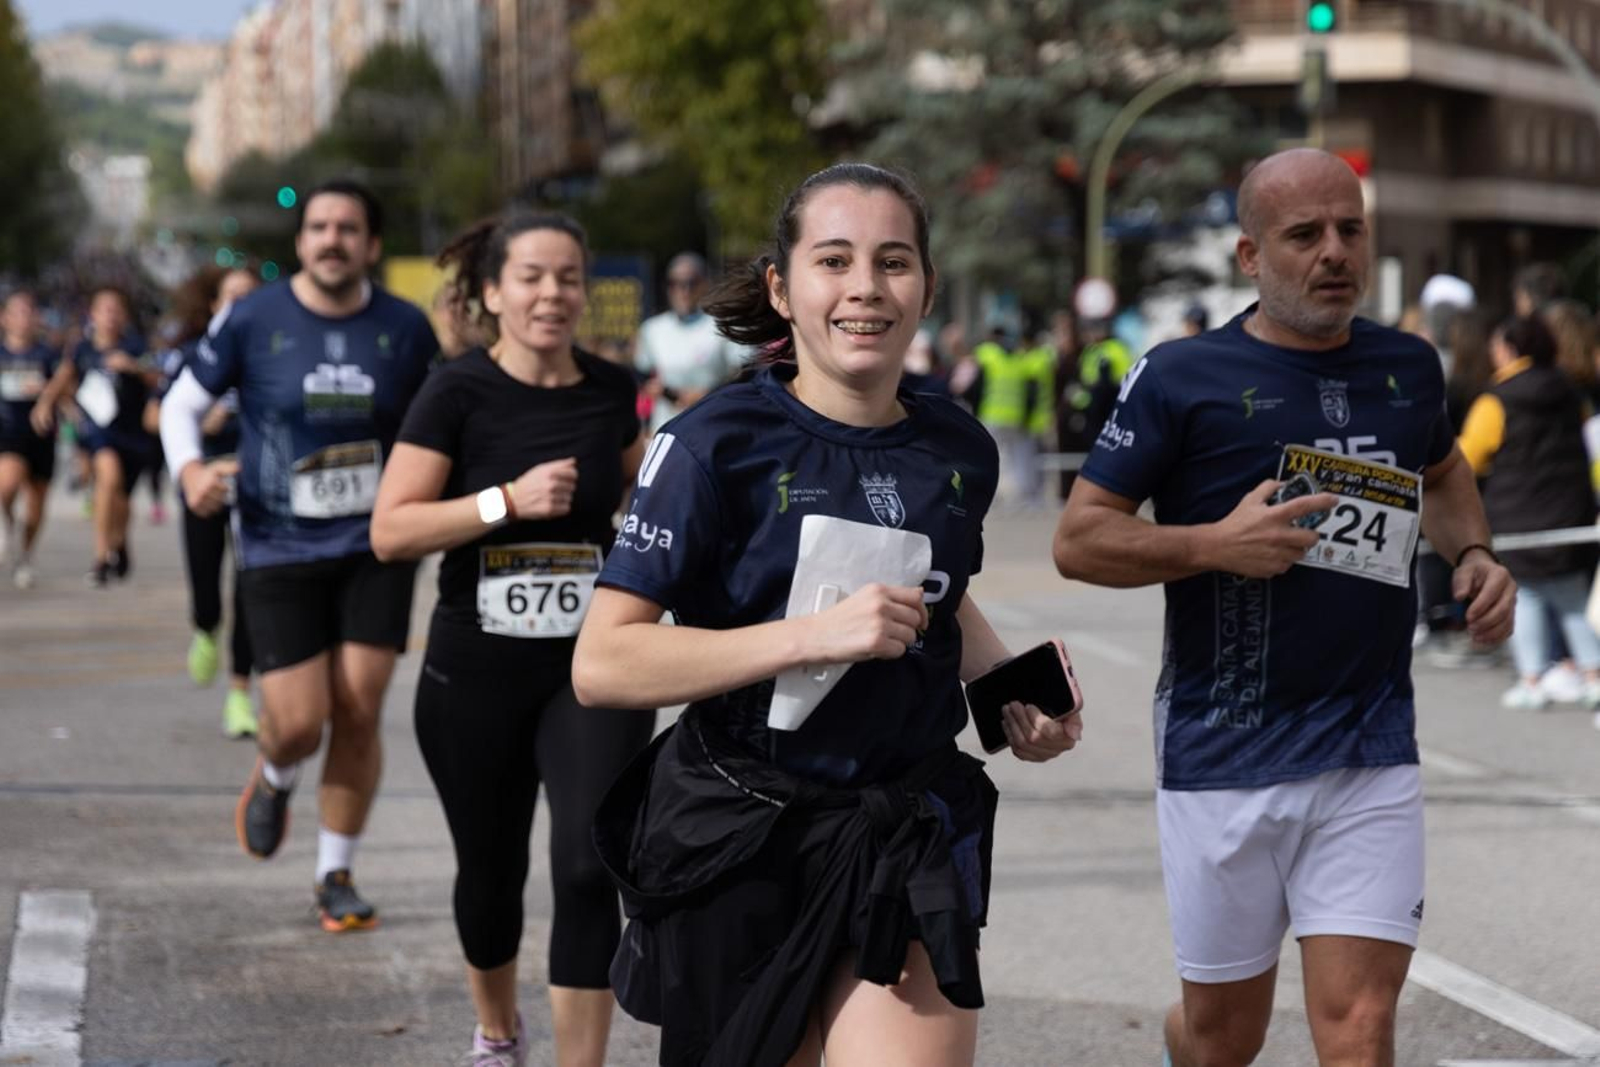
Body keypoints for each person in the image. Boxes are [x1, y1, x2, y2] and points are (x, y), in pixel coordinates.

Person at [572, 162, 1082, 1067]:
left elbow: (938, 591)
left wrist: (1010, 689)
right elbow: (604, 663)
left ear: (924, 284)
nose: (865, 289)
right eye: (835, 260)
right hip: (740, 832)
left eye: (893, 262)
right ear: (783, 286)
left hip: (899, 825)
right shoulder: (707, 446)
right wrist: (811, 636)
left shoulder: (957, 446)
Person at [1051, 148, 1516, 1067]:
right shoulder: (1182, 374)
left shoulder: (1407, 366)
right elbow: (1079, 539)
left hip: (1367, 742)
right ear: (1250, 256)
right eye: (1304, 235)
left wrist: (1473, 553)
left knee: (1359, 1026)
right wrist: (1209, 545)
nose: (1333, 251)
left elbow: (1444, 469)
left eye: (1350, 230)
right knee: (1224, 1038)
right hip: (1224, 746)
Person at [369, 211, 655, 1067]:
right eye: (531, 276)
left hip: (591, 669)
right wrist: (505, 501)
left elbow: (647, 501)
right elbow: (392, 530)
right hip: (475, 671)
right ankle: (497, 1031)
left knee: (584, 867)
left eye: (569, 276)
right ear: (492, 292)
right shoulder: (455, 391)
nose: (552, 294)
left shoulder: (612, 387)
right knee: (491, 877)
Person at [160, 178, 439, 931]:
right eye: (319, 226)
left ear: (371, 245)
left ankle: (334, 871)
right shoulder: (253, 318)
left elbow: (441, 424)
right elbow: (184, 402)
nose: (332, 239)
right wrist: (189, 470)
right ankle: (277, 773)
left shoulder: (406, 330)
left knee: (358, 709)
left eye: (348, 227)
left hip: (375, 543)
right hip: (278, 544)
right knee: (297, 723)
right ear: (301, 241)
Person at [1458, 315, 1600, 711]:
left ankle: (1532, 679)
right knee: (1572, 595)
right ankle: (1594, 675)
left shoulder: (1497, 399)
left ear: (1509, 349)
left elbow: (1469, 457)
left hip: (1517, 512)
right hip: (1570, 510)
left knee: (1527, 597)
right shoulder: (1573, 393)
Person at [150, 266, 261, 738]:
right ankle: (205, 627)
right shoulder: (193, 356)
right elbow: (158, 414)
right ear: (214, 305)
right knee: (208, 587)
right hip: (205, 486)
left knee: (250, 591)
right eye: (230, 297)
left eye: (249, 298)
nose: (239, 307)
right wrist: (199, 435)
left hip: (255, 488)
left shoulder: (272, 355)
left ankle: (239, 695)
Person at [36, 286, 154, 585]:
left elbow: (158, 378)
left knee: (123, 499)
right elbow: (63, 377)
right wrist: (47, 403)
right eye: (105, 310)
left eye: (116, 310)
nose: (110, 317)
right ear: (93, 314)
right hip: (100, 433)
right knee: (107, 478)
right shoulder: (83, 349)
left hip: (133, 433)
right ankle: (101, 556)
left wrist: (133, 366)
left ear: (124, 315)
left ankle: (120, 540)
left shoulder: (136, 346)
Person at [634, 252, 748, 432]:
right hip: (668, 425)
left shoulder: (725, 324)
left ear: (705, 284)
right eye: (675, 284)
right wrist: (667, 393)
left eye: (691, 283)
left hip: (715, 422)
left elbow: (744, 371)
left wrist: (707, 394)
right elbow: (642, 373)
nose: (683, 291)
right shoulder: (653, 329)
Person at [0, 290, 58, 589]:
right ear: (4, 318)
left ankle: (25, 556)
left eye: (29, 312)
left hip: (41, 436)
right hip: (7, 433)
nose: (23, 318)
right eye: (17, 312)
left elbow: (66, 385)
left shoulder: (47, 355)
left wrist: (48, 395)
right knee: (6, 484)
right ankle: (5, 522)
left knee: (35, 505)